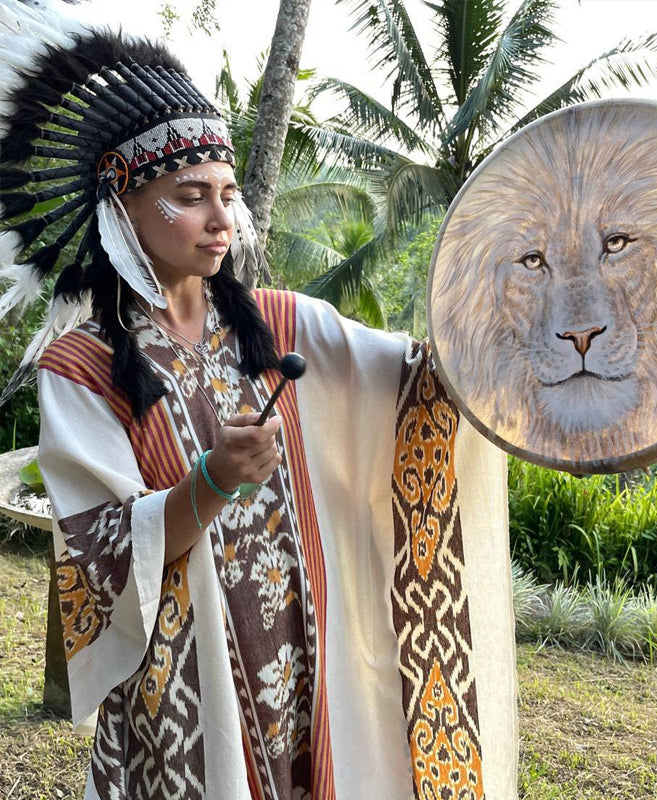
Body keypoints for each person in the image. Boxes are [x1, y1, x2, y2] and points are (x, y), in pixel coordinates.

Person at [0, 4, 516, 798]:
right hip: (184, 699)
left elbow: (425, 385)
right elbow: (96, 558)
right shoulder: (84, 367)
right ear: (121, 204)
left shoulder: (281, 323)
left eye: (228, 194)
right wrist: (210, 480)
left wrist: (527, 328)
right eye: (191, 194)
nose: (220, 220)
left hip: (309, 668)